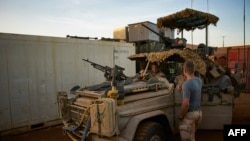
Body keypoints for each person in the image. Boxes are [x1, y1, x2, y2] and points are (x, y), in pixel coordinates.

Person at [178, 61, 202, 141]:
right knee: (192, 136)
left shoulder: (186, 85)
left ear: (184, 70)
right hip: (198, 114)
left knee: (187, 138)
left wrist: (181, 116)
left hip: (190, 115)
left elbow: (185, 104)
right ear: (194, 70)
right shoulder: (199, 81)